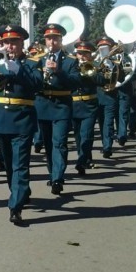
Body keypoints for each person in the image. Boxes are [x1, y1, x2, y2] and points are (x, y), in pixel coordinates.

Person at [0, 25, 42, 225]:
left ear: (22, 43)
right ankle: (19, 191)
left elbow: (38, 84)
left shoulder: (32, 62)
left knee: (20, 164)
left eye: (14, 42)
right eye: (6, 42)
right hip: (1, 120)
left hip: (22, 120)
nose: (10, 46)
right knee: (8, 165)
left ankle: (16, 207)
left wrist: (19, 71)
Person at [32, 23, 81, 195]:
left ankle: (58, 178)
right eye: (48, 38)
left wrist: (59, 72)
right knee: (48, 144)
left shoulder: (70, 61)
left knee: (59, 142)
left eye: (55, 38)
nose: (51, 42)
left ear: (61, 40)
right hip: (43, 105)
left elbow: (75, 82)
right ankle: (52, 173)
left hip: (61, 105)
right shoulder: (38, 59)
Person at [71, 41, 101, 175]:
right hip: (74, 105)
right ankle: (84, 158)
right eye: (79, 53)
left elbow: (102, 81)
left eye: (85, 54)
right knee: (78, 136)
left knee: (87, 134)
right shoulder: (71, 66)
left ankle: (82, 160)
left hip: (89, 105)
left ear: (90, 55)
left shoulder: (95, 66)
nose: (81, 56)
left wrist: (92, 72)